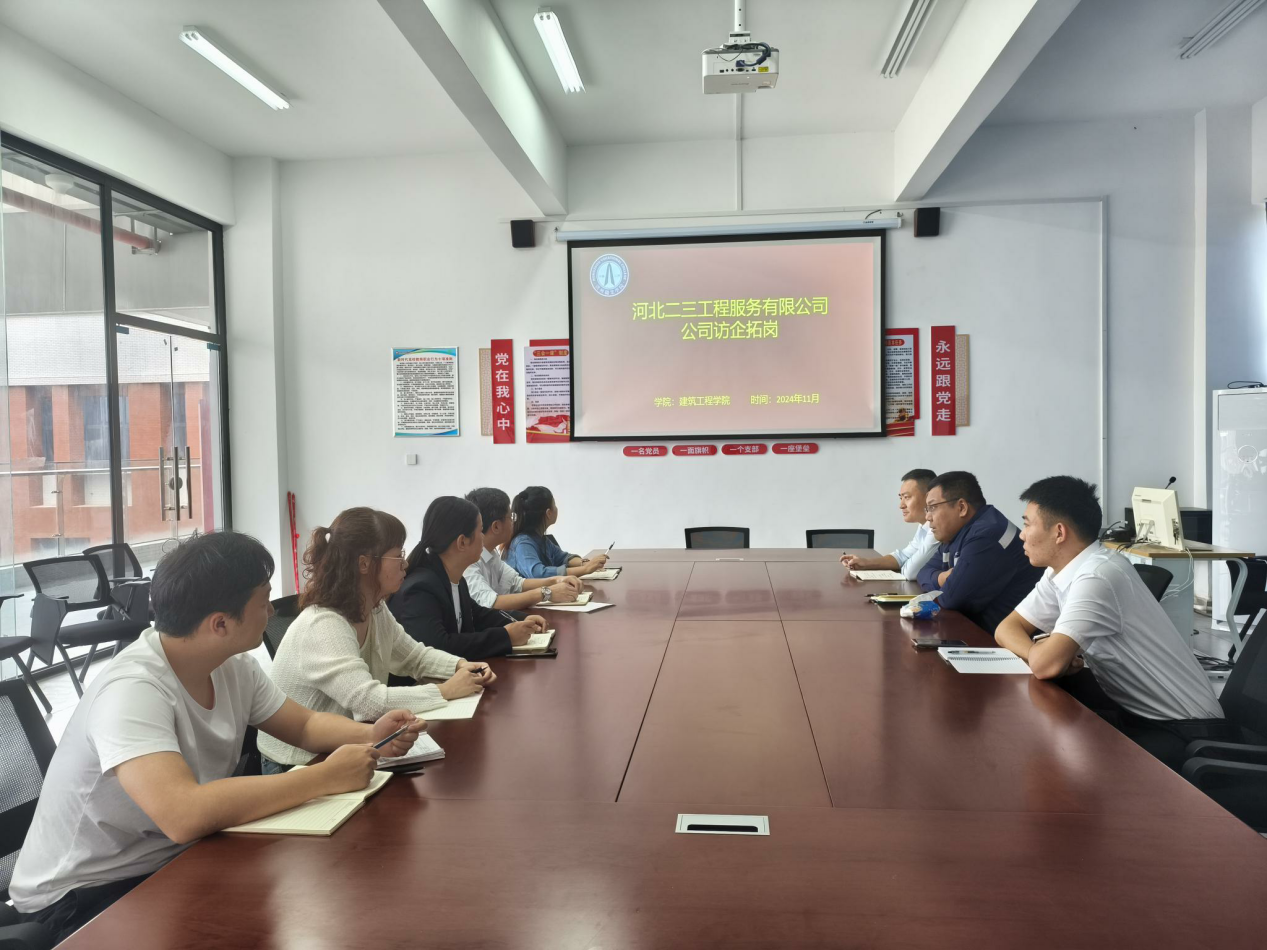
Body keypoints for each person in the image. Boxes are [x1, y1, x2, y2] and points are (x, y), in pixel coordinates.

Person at [9, 532, 425, 944]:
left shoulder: (232, 666)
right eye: (263, 602)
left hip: (174, 861)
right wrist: (324, 777)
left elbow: (303, 726)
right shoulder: (133, 689)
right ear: (220, 623)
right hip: (83, 898)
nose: (271, 611)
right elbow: (183, 813)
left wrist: (371, 734)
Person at [995, 475, 1226, 769]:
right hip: (1136, 711)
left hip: (1184, 731)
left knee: (1053, 755)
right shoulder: (1060, 571)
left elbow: (1045, 665)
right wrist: (1038, 651)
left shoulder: (1097, 577)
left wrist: (1045, 654)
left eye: (1028, 524)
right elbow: (1006, 629)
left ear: (1059, 532)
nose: (1022, 535)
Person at [258, 508, 493, 772]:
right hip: (296, 761)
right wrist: (445, 690)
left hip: (342, 746)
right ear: (364, 564)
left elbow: (413, 656)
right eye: (398, 555)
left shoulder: (375, 609)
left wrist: (461, 666)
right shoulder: (324, 624)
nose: (405, 564)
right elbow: (369, 701)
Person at [389, 496, 548, 659]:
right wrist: (505, 637)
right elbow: (439, 647)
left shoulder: (456, 579)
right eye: (480, 531)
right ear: (462, 542)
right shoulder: (421, 589)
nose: (483, 537)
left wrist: (521, 619)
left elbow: (478, 614)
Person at [917, 471, 1042, 633]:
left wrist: (943, 583)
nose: (928, 517)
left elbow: (951, 599)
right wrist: (941, 578)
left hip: (1006, 640)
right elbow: (922, 573)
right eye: (927, 509)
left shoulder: (988, 534)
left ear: (961, 508)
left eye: (933, 507)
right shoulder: (955, 533)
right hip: (984, 632)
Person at [464, 487, 583, 611]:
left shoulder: (490, 554)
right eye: (511, 517)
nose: (513, 522)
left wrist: (556, 580)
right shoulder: (468, 563)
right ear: (496, 526)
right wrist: (546, 593)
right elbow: (491, 603)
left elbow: (517, 583)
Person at [840, 468, 938, 579]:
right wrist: (865, 563)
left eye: (906, 497)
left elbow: (910, 573)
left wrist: (905, 563)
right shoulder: (923, 526)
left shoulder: (937, 528)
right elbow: (903, 556)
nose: (901, 505)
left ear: (929, 497)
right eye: (901, 498)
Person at [502, 485, 608, 579]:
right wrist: (585, 569)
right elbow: (539, 574)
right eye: (554, 504)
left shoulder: (541, 539)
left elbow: (563, 558)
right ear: (548, 513)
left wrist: (585, 563)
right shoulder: (523, 543)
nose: (557, 509)